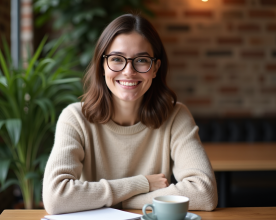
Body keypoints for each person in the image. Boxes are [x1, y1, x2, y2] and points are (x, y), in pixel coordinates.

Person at [42, 14, 218, 215]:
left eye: (141, 60)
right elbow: (56, 197)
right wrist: (142, 183)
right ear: (102, 66)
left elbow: (204, 193)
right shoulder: (75, 118)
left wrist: (116, 201)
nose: (128, 71)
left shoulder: (176, 115)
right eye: (117, 59)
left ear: (155, 69)